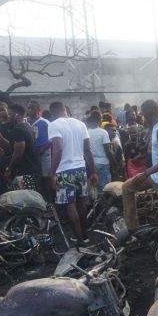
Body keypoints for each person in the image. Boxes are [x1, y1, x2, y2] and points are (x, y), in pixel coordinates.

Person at [122, 100, 158, 230]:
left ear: (149, 114)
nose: (142, 118)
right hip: (155, 176)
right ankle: (133, 229)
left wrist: (146, 173)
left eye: (143, 115)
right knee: (127, 187)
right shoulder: (155, 127)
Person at [48, 101, 97, 245]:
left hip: (64, 171)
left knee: (70, 204)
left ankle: (80, 241)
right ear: (65, 110)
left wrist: (52, 174)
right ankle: (85, 236)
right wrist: (93, 171)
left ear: (52, 112)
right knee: (81, 202)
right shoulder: (80, 124)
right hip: (81, 168)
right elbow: (87, 150)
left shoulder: (54, 125)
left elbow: (58, 148)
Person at [5, 104, 41, 191]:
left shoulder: (18, 129)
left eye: (10, 114)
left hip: (24, 173)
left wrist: (9, 169)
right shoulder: (28, 126)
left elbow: (18, 154)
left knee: (24, 197)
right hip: (34, 170)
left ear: (17, 115)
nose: (8, 116)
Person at [27, 100, 53, 200]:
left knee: (46, 178)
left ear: (38, 110)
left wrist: (42, 150)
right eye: (28, 108)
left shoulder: (45, 122)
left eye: (32, 108)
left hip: (44, 154)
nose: (29, 110)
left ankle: (49, 200)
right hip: (32, 155)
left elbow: (51, 140)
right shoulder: (26, 123)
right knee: (36, 178)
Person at [87, 111, 112, 193]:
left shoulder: (87, 132)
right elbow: (108, 151)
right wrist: (115, 164)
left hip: (91, 163)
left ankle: (97, 201)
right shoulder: (103, 132)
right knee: (105, 188)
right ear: (99, 120)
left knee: (95, 188)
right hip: (103, 163)